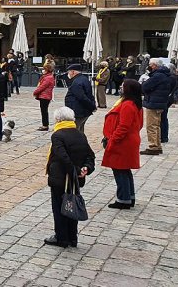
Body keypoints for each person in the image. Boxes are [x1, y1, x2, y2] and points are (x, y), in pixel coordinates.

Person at [44, 106, 95, 248]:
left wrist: (76, 170)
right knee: (70, 206)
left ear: (58, 119)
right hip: (75, 179)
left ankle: (61, 238)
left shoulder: (57, 135)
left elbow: (62, 157)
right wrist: (86, 168)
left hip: (61, 178)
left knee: (59, 207)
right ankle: (72, 237)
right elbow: (89, 155)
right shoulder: (79, 134)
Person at [102, 79, 143, 209]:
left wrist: (113, 139)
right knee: (125, 170)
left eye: (123, 86)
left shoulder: (128, 105)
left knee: (120, 170)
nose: (120, 87)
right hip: (129, 140)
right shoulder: (135, 104)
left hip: (123, 142)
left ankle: (123, 199)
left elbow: (123, 126)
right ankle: (129, 197)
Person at [140, 58, 173, 155]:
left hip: (154, 103)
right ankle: (157, 145)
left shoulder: (157, 76)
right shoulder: (165, 75)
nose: (149, 66)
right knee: (157, 125)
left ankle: (153, 146)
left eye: (150, 64)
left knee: (151, 126)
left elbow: (145, 86)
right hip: (160, 102)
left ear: (155, 65)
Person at [64, 64, 96, 133]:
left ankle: (77, 143)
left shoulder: (77, 82)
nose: (68, 74)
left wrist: (92, 106)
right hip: (82, 111)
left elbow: (82, 98)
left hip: (79, 112)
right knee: (80, 130)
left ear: (73, 72)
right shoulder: (83, 79)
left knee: (74, 131)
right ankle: (81, 143)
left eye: (69, 72)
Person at [34, 63, 56, 131]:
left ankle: (45, 125)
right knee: (44, 111)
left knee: (44, 111)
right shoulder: (48, 76)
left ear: (47, 70)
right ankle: (45, 124)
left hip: (45, 96)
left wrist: (35, 92)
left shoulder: (48, 78)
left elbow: (42, 87)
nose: (43, 70)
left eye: (44, 69)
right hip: (45, 96)